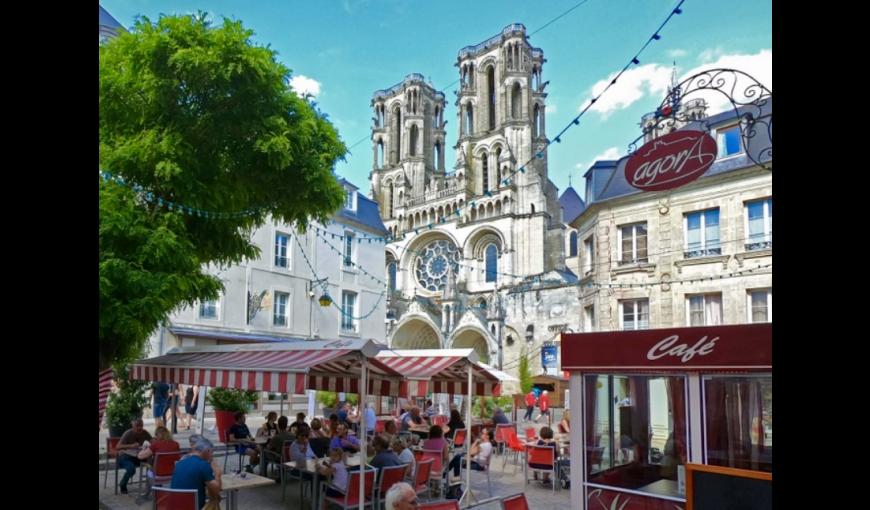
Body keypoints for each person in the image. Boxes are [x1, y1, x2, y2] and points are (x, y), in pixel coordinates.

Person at [171, 437, 222, 510]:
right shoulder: (203, 465)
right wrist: (217, 473)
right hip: (194, 506)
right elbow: (216, 489)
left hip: (174, 506)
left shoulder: (180, 463)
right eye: (211, 453)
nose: (212, 456)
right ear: (207, 451)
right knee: (215, 499)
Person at [116, 418, 153, 494]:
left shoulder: (145, 433)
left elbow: (152, 441)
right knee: (131, 468)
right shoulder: (128, 433)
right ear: (133, 426)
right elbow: (118, 447)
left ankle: (151, 484)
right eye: (137, 426)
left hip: (139, 456)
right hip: (125, 456)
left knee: (152, 463)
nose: (140, 428)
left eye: (141, 426)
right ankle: (123, 484)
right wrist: (131, 446)